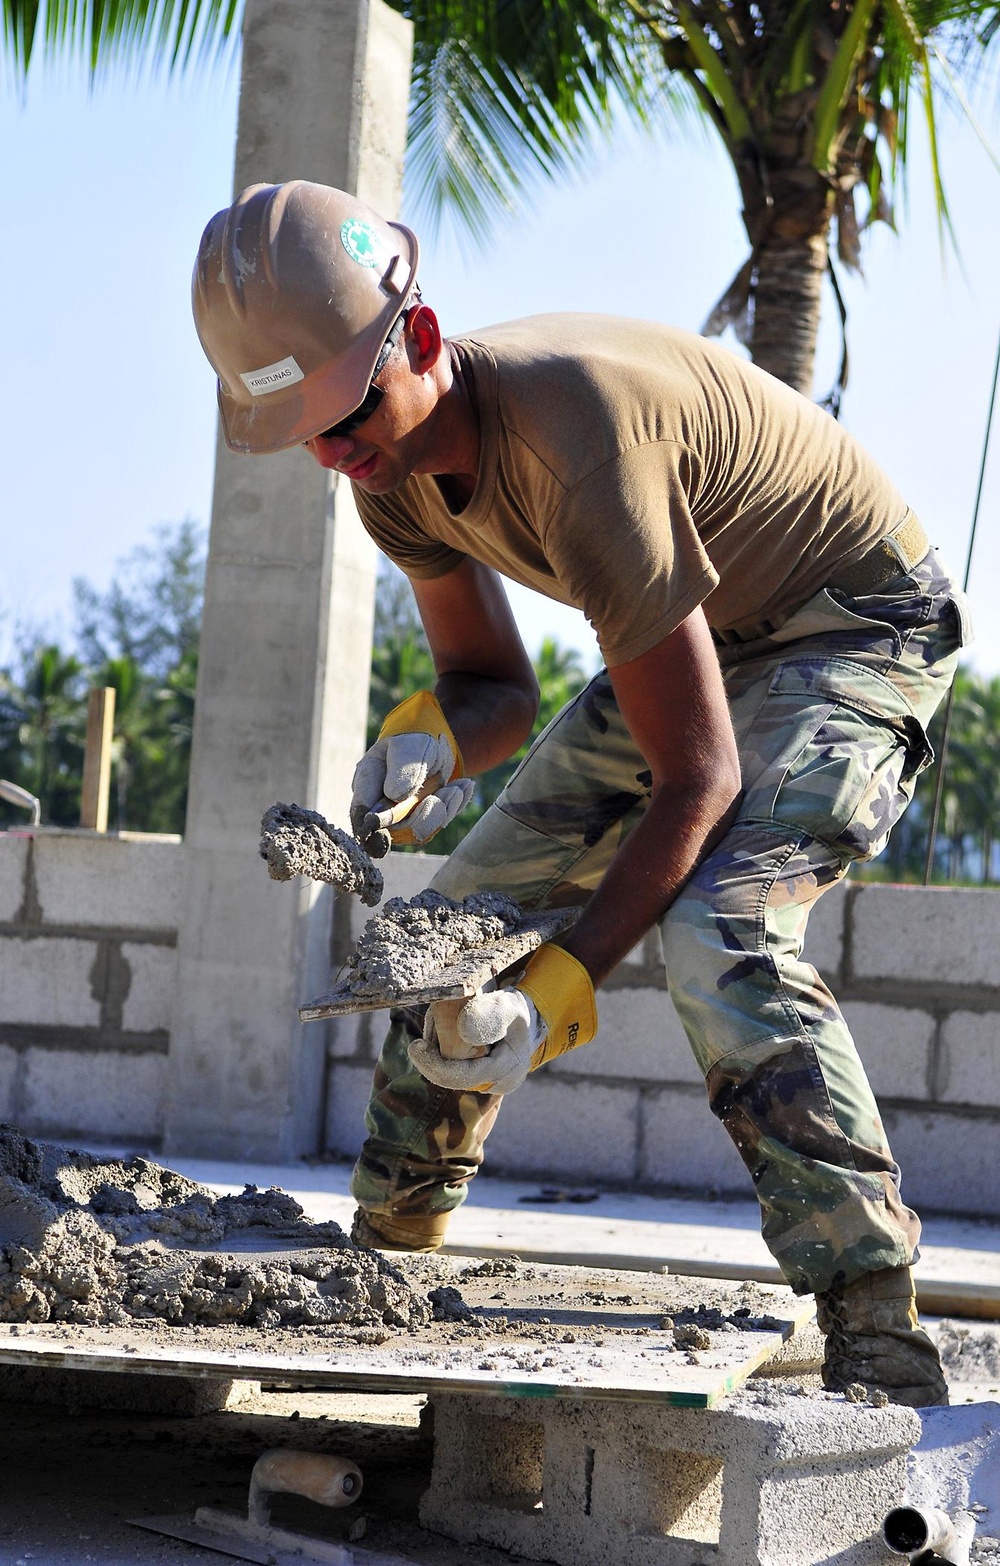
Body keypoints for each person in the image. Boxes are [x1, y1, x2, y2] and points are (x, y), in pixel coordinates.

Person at [193, 179, 971, 1406]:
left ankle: (875, 1322)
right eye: (313, 437)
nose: (341, 456)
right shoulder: (385, 472)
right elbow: (487, 681)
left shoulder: (580, 440)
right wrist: (430, 742)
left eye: (350, 417)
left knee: (723, 937)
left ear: (425, 341)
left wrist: (552, 996)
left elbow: (697, 776)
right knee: (444, 938)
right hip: (701, 632)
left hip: (851, 628)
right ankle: (387, 1259)